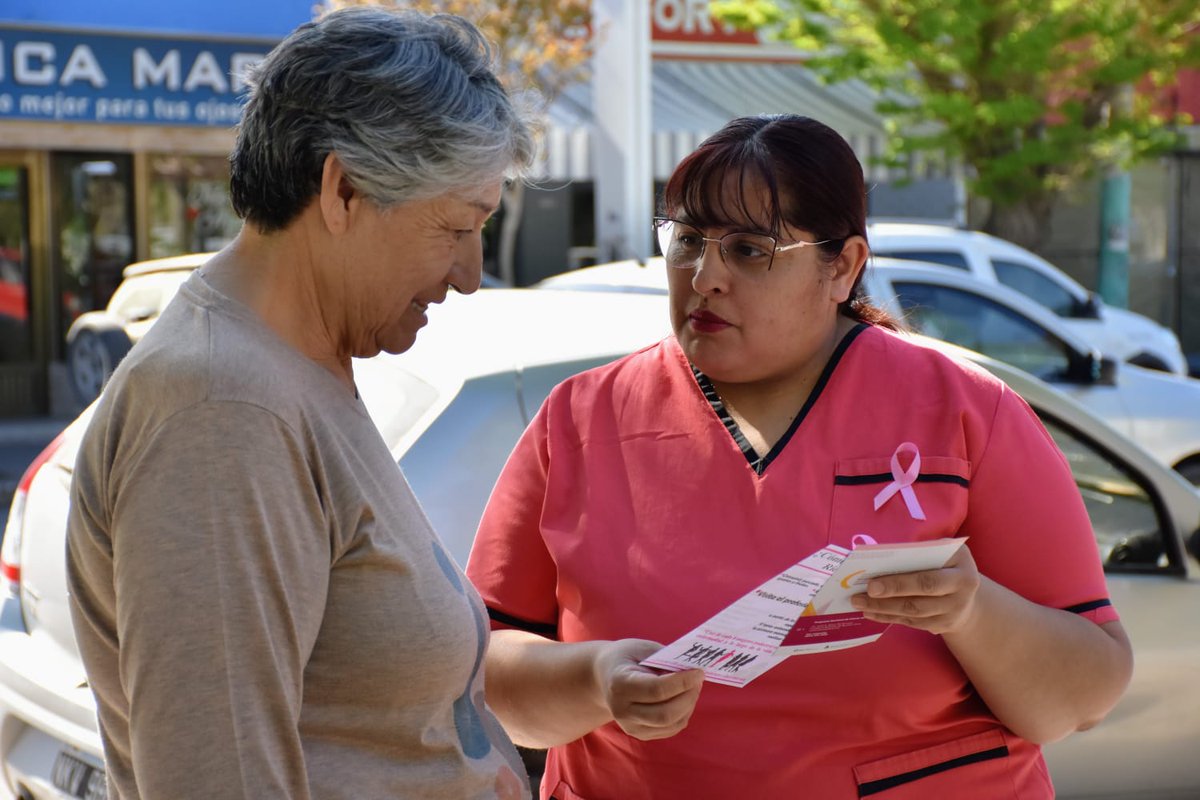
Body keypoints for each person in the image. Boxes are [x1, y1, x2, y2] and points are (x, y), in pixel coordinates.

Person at [465, 114, 1133, 799]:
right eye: (688, 240)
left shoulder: (965, 414)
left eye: (750, 250)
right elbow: (482, 671)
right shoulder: (580, 420)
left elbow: (1084, 696)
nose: (705, 277)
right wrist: (597, 678)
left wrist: (973, 612)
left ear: (842, 267)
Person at [66, 7, 535, 799]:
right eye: (457, 227)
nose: (470, 273)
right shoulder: (223, 408)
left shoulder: (289, 366)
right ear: (343, 189)